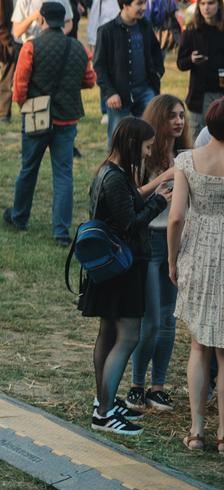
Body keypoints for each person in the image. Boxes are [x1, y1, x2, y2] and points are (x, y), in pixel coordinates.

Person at [81, 117, 170, 436]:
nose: (148, 153)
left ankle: (102, 401)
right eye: (146, 147)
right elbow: (130, 224)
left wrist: (151, 195)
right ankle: (103, 414)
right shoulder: (116, 178)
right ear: (133, 144)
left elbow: (123, 213)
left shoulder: (109, 170)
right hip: (124, 269)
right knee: (128, 336)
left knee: (107, 334)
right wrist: (160, 200)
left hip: (109, 268)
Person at [6, 2, 97, 243]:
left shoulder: (31, 47)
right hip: (67, 118)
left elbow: (19, 87)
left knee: (29, 169)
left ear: (41, 20)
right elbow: (89, 81)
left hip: (37, 115)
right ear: (65, 21)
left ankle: (19, 216)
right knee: (63, 174)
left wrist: (25, 106)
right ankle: (60, 231)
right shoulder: (78, 48)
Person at [123, 95, 191, 413]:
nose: (179, 121)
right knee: (149, 320)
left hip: (175, 241)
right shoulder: (143, 157)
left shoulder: (188, 157)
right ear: (158, 120)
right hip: (148, 241)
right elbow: (129, 199)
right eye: (172, 116)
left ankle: (158, 387)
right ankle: (136, 385)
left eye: (182, 116)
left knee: (167, 319)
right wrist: (162, 179)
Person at [169, 98, 224, 451]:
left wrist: (173, 260)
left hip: (199, 251)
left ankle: (196, 430)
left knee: (199, 344)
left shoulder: (187, 160)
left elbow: (175, 217)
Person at [94, 0, 162, 146]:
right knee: (118, 141)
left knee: (150, 138)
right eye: (139, 3)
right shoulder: (106, 31)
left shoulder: (145, 26)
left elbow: (156, 53)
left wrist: (157, 73)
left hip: (146, 91)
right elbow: (99, 65)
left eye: (145, 3)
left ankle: (145, 171)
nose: (144, 7)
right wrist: (110, 92)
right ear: (125, 5)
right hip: (118, 94)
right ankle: (115, 171)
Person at [177, 0, 224, 140]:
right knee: (198, 138)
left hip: (221, 91)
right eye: (202, 4)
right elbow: (181, 63)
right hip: (201, 94)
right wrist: (191, 59)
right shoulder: (192, 30)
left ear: (218, 4)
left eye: (210, 3)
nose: (206, 8)